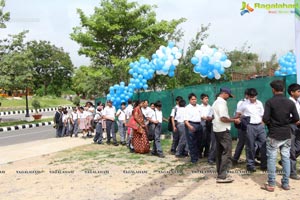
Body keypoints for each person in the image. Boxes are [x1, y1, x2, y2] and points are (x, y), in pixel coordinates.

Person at [261, 80, 300, 192]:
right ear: (283, 89)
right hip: (287, 134)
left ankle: (272, 184)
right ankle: (286, 184)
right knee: (286, 158)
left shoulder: (270, 102)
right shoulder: (290, 102)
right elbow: (296, 119)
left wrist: (271, 124)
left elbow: (265, 119)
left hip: (274, 134)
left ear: (273, 89)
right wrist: (287, 121)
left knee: (272, 159)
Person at [212, 87, 240, 183]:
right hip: (223, 130)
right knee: (227, 152)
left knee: (220, 152)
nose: (228, 97)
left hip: (217, 129)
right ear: (224, 93)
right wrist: (234, 120)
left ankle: (220, 173)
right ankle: (222, 176)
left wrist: (232, 117)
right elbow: (223, 118)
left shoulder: (216, 102)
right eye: (228, 95)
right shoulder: (221, 103)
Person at [236, 88, 267, 172]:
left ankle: (264, 164)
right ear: (248, 96)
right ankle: (250, 165)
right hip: (250, 126)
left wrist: (262, 123)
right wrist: (241, 120)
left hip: (260, 126)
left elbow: (262, 114)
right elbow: (238, 113)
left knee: (264, 145)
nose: (253, 98)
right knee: (250, 146)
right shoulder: (244, 104)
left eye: (254, 96)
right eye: (251, 96)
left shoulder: (259, 103)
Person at [184, 93, 203, 164]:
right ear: (189, 100)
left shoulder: (199, 107)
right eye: (192, 99)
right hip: (190, 124)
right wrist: (190, 126)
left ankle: (197, 155)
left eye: (195, 99)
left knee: (199, 142)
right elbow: (185, 120)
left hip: (198, 125)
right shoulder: (187, 108)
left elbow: (201, 116)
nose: (194, 100)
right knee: (192, 143)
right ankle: (193, 159)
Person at [287, 83, 300, 180]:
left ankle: (286, 162)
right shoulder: (289, 102)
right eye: (298, 91)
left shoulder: (297, 102)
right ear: (292, 92)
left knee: (298, 147)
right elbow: (287, 117)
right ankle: (292, 172)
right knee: (291, 149)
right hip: (291, 126)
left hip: (298, 127)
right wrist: (296, 121)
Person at [232, 89, 249, 164]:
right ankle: (235, 159)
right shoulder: (241, 102)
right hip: (243, 123)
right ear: (246, 95)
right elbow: (239, 113)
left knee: (250, 143)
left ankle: (249, 159)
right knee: (241, 142)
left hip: (251, 123)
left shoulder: (254, 103)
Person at [199, 93, 214, 159]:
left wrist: (209, 118)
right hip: (202, 124)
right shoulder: (199, 107)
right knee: (202, 139)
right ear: (201, 100)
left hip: (209, 124)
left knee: (208, 139)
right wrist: (206, 118)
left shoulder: (210, 107)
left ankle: (206, 153)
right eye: (205, 98)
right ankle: (199, 152)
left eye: (207, 98)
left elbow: (211, 115)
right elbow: (200, 116)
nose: (207, 100)